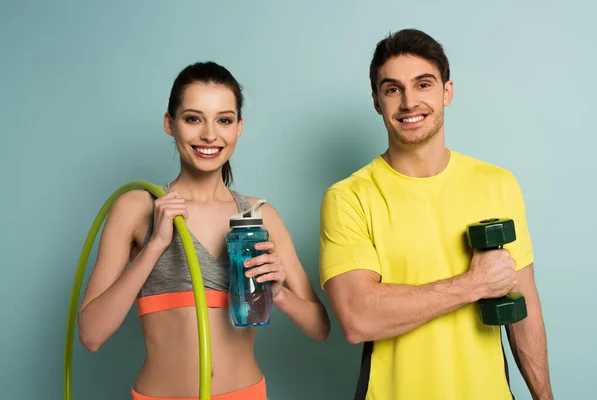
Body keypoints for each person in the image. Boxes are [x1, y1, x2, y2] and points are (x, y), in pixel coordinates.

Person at [318, 29, 553, 400]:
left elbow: (524, 306)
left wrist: (545, 397)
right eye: (393, 89)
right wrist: (474, 284)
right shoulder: (349, 197)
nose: (409, 102)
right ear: (378, 102)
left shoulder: (497, 183)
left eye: (423, 84)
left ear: (447, 91)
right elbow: (357, 318)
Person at [77, 61, 331, 400]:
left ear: (238, 127)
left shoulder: (259, 216)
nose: (210, 135)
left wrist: (278, 291)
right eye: (193, 118)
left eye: (224, 120)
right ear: (170, 124)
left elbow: (320, 328)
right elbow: (91, 335)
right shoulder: (137, 207)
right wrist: (155, 246)